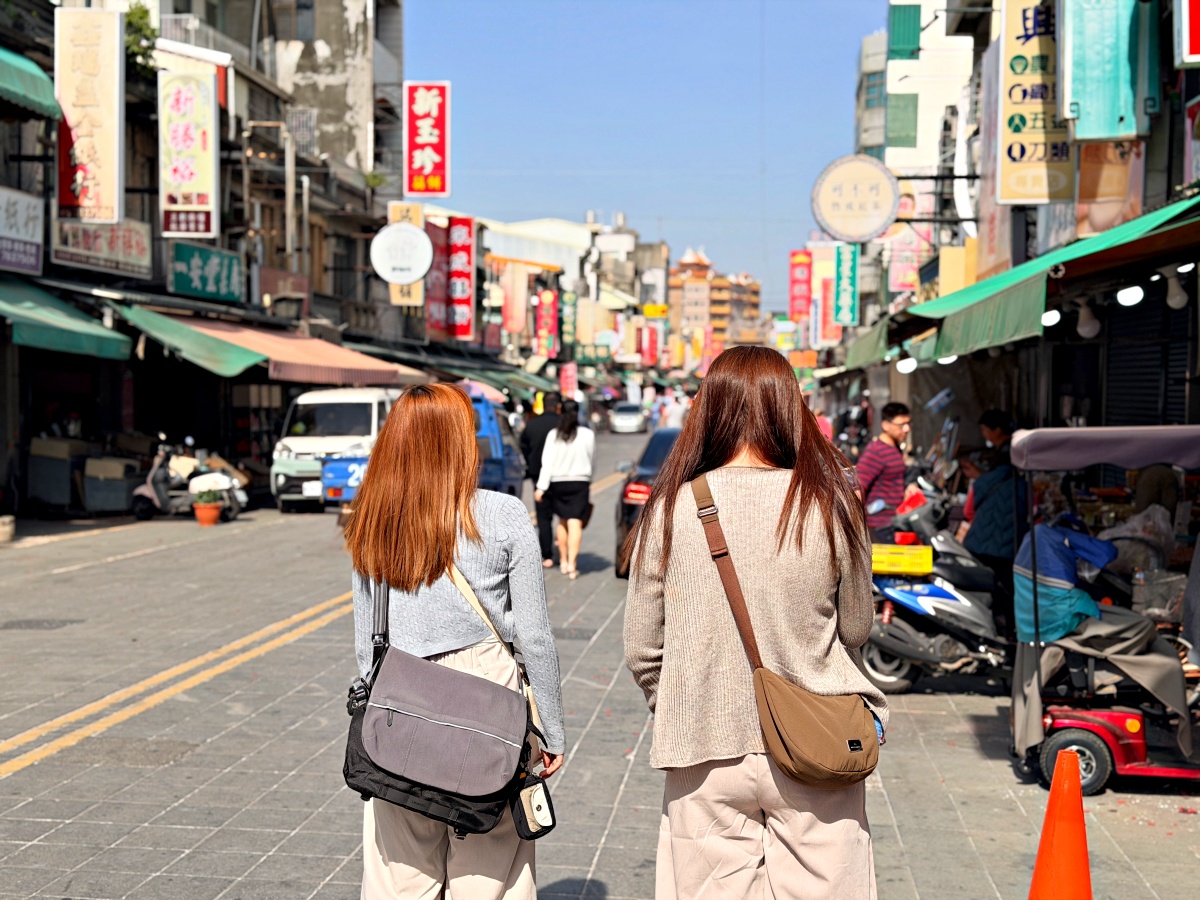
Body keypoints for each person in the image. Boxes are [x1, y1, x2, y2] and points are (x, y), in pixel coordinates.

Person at [623, 346, 886, 899]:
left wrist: (684, 696)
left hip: (702, 743)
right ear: (791, 409)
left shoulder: (670, 507)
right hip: (814, 737)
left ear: (707, 410)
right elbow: (857, 627)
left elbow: (643, 647)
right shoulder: (831, 501)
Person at [344, 384, 565, 899]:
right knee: (489, 872)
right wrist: (551, 728)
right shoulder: (502, 514)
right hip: (489, 694)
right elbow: (533, 636)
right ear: (463, 444)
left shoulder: (374, 518)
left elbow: (364, 643)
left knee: (399, 874)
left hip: (401, 696)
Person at [965, 410, 1026, 638]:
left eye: (985, 430)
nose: (985, 435)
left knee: (995, 589)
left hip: (990, 538)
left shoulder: (1003, 459)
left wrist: (979, 477)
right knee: (1006, 588)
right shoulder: (1018, 475)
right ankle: (1008, 632)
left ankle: (997, 632)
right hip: (1008, 538)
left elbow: (973, 503)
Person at [535, 399, 594, 579]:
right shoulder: (587, 434)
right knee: (575, 522)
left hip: (558, 482)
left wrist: (541, 487)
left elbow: (547, 463)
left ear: (561, 411)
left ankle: (563, 559)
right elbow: (592, 459)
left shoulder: (554, 434)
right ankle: (572, 565)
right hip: (580, 481)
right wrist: (588, 478)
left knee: (562, 521)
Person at [855, 402, 913, 543]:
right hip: (879, 526)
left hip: (893, 522)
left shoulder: (894, 448)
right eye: (901, 425)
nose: (907, 429)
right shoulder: (876, 451)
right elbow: (858, 487)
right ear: (885, 425)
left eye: (908, 423)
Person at [520, 391, 562, 568]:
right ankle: (565, 550)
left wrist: (531, 464)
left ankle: (547, 555)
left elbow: (523, 446)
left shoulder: (532, 425)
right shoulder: (563, 424)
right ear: (558, 406)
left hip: (538, 476)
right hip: (562, 476)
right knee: (564, 515)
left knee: (543, 517)